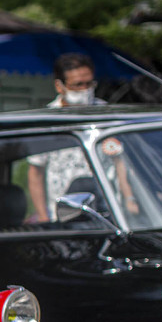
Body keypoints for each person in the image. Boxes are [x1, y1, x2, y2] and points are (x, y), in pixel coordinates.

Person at [25, 53, 138, 221]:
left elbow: (120, 162)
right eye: (77, 85)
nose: (85, 90)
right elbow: (36, 172)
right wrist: (43, 217)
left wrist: (129, 200)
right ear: (59, 86)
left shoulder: (106, 114)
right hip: (63, 214)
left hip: (108, 210)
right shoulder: (47, 121)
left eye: (89, 83)